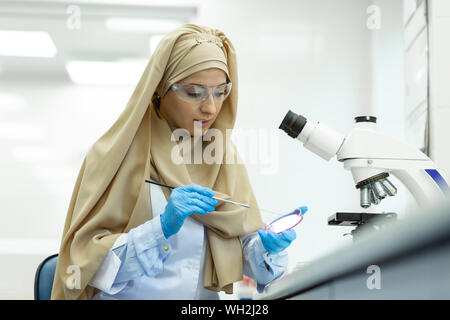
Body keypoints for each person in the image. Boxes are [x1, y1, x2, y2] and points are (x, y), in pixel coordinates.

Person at [51, 24, 299, 300]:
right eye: (194, 93)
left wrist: (267, 249)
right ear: (160, 88)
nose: (210, 108)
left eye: (220, 92)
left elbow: (246, 257)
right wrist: (161, 227)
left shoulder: (222, 157)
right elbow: (85, 266)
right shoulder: (113, 154)